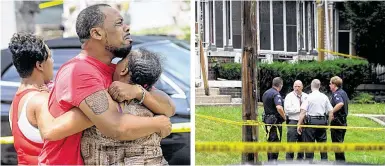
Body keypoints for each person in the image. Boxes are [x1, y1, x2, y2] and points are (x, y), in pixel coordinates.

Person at [38, 4, 175, 165]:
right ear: (96, 33)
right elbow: (116, 127)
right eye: (119, 23)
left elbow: (169, 108)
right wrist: (157, 123)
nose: (127, 27)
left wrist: (138, 92)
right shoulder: (79, 71)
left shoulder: (115, 71)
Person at [7, 33, 86, 165]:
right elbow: (56, 130)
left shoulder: (16, 101)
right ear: (39, 65)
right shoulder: (40, 100)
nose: (52, 61)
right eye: (50, 57)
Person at [81, 49, 170, 165]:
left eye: (121, 60)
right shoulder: (153, 106)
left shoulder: (103, 99)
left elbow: (121, 128)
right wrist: (158, 123)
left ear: (124, 70)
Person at [297, 79, 333, 161]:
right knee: (323, 148)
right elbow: (331, 112)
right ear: (319, 86)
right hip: (322, 123)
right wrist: (328, 124)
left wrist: (299, 124)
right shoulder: (324, 97)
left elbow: (303, 112)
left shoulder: (308, 97)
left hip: (310, 124)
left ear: (311, 86)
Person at [262, 77, 286, 161]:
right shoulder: (276, 94)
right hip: (275, 122)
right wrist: (284, 117)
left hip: (267, 121)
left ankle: (270, 161)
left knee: (270, 141)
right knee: (275, 143)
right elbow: (279, 107)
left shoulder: (266, 93)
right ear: (280, 85)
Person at [284, 80, 307, 160]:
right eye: (295, 86)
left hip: (304, 122)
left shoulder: (306, 96)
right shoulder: (289, 96)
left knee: (302, 144)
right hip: (293, 121)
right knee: (291, 143)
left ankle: (300, 161)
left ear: (302, 87)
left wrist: (304, 112)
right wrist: (300, 109)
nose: (296, 88)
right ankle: (289, 162)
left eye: (298, 86)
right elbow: (287, 110)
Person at [329, 76, 349, 162]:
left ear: (334, 84)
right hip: (343, 121)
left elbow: (340, 103)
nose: (329, 85)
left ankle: (340, 162)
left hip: (337, 122)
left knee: (337, 145)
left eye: (330, 83)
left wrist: (331, 112)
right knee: (339, 144)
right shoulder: (343, 92)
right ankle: (340, 162)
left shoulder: (336, 94)